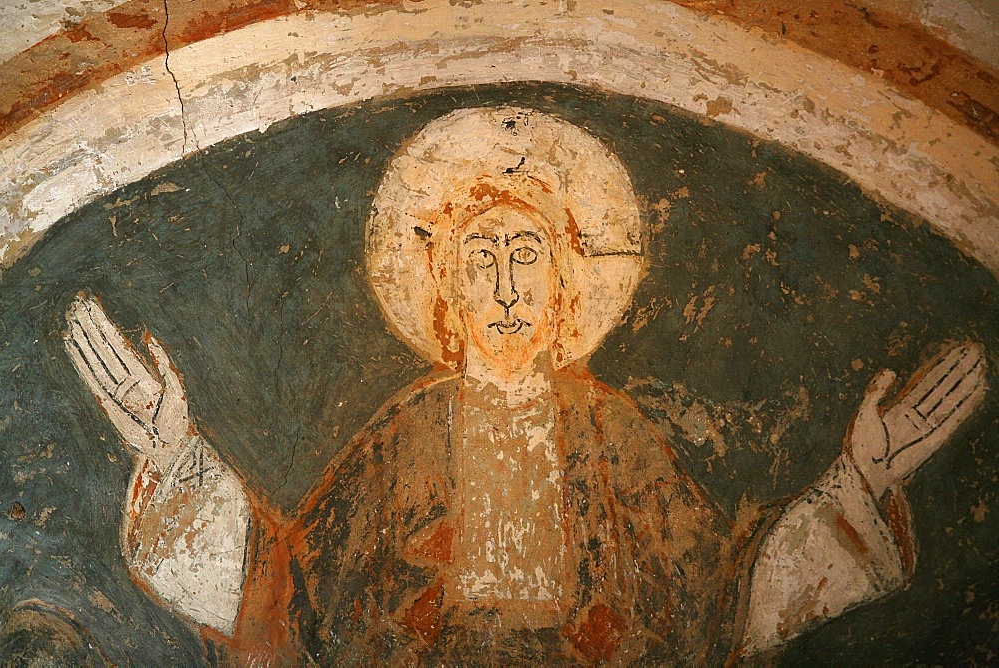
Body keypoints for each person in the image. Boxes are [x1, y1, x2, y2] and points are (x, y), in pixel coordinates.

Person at [63, 108, 987, 665]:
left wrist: (860, 484)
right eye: (480, 258)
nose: (505, 286)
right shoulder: (403, 440)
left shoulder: (615, 438)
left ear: (563, 290)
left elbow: (725, 601)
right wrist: (173, 455)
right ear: (447, 296)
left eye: (527, 257)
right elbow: (288, 595)